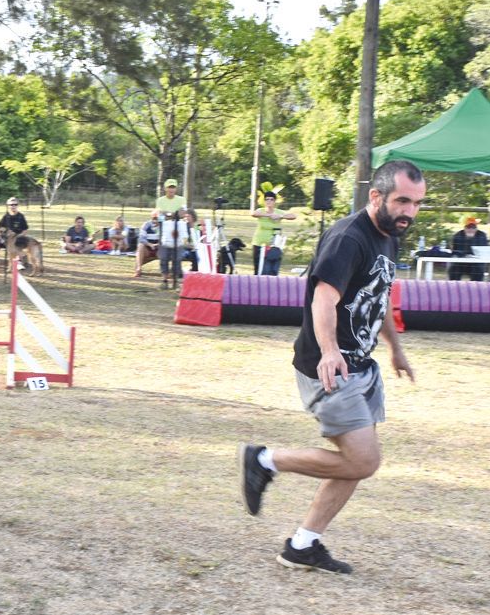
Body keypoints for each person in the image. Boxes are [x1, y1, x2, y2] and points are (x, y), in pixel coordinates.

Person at [238, 159, 424, 575]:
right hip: (330, 367)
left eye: (416, 203)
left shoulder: (389, 235)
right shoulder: (348, 238)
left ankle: (303, 544)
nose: (409, 211)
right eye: (402, 201)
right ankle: (265, 460)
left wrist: (395, 347)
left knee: (357, 461)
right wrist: (327, 350)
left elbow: (380, 296)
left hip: (361, 364)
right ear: (375, 196)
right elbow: (324, 298)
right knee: (364, 461)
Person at [252, 190, 296, 275]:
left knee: (270, 267)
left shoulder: (279, 212)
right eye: (267, 199)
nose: (269, 201)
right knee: (257, 267)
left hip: (273, 243)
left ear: (274, 201)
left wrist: (280, 216)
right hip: (259, 241)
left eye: (271, 199)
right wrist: (268, 215)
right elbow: (254, 213)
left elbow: (293, 216)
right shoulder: (261, 210)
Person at [157, 204, 192, 289]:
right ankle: (164, 281)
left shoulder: (183, 222)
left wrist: (185, 243)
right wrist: (166, 214)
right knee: (163, 260)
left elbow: (186, 234)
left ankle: (175, 282)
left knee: (177, 261)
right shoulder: (165, 214)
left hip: (178, 244)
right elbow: (160, 219)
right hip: (165, 242)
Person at [0, 197, 29, 267]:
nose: (13, 206)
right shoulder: (6, 216)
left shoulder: (21, 216)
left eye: (15, 204)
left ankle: (19, 262)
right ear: (8, 206)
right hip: (7, 239)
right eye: (11, 205)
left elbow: (25, 229)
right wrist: (3, 234)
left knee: (18, 241)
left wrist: (19, 236)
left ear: (17, 205)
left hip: (17, 238)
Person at [132, 209, 162, 277]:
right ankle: (139, 268)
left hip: (159, 248)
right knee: (140, 246)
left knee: (164, 248)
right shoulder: (146, 225)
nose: (155, 220)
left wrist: (158, 244)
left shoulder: (163, 226)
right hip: (147, 248)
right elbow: (141, 238)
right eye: (154, 218)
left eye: (157, 218)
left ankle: (164, 271)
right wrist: (149, 244)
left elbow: (165, 238)